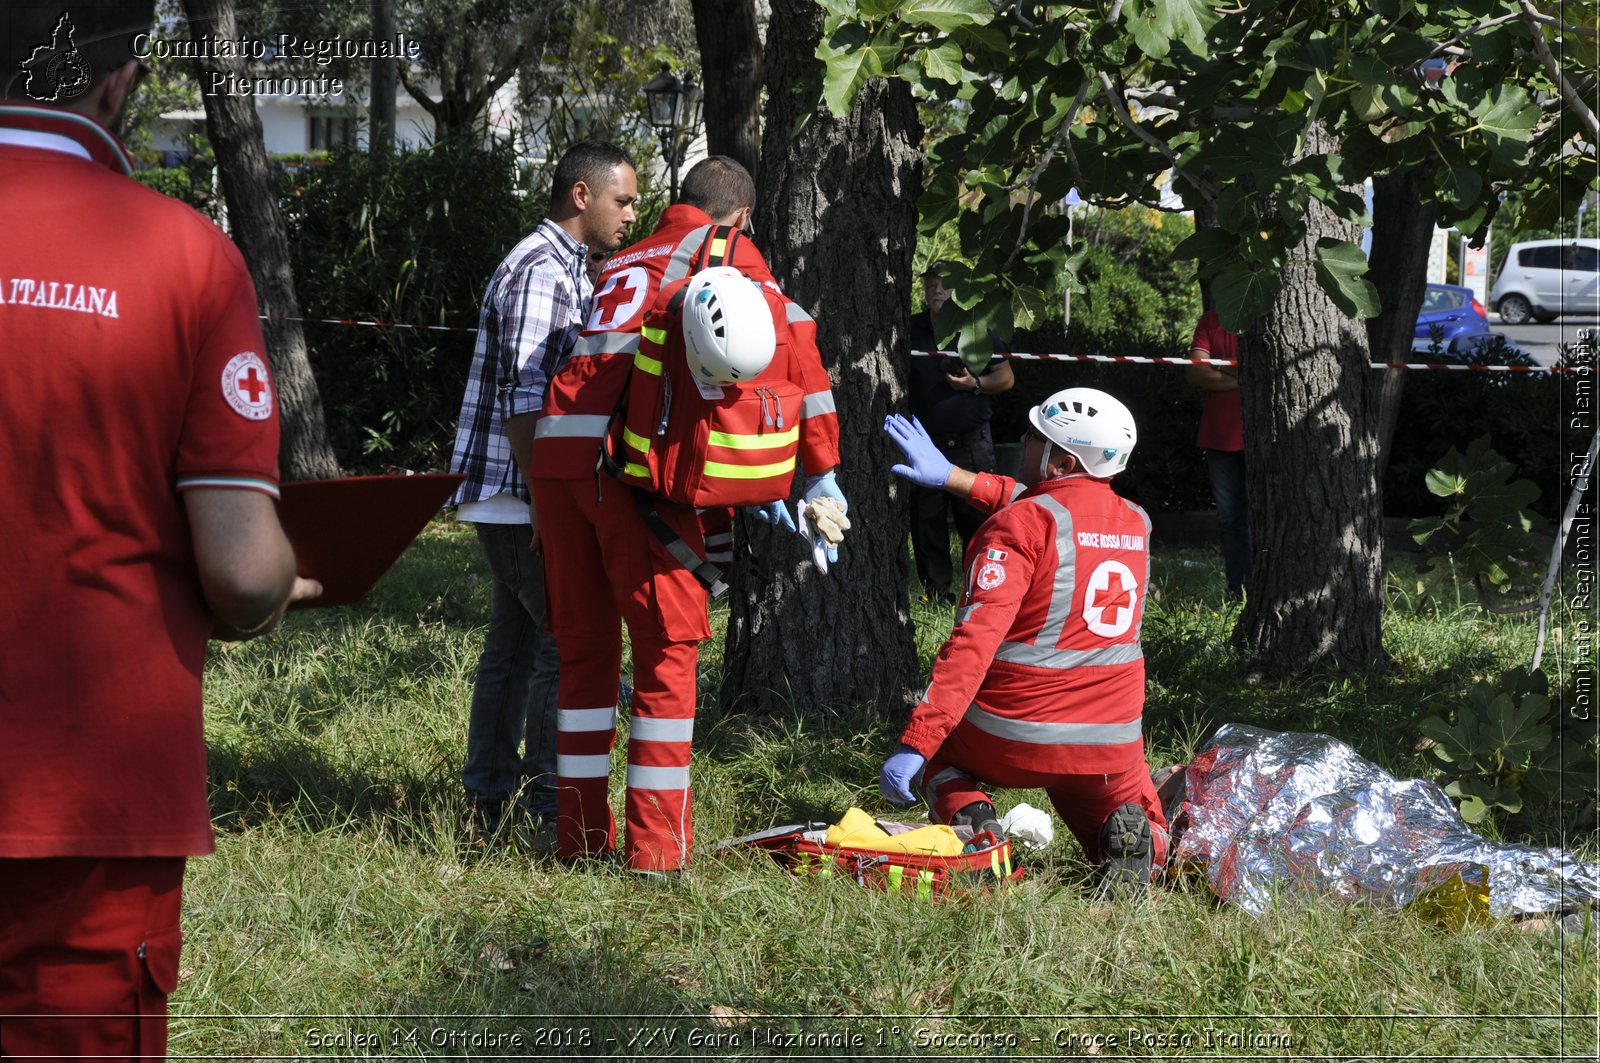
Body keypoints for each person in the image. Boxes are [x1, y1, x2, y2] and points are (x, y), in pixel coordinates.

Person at [0, 4, 318, 1055]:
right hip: (85, 793)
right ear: (119, 81)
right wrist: (279, 584)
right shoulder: (184, 255)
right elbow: (238, 569)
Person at [530, 156, 842, 876]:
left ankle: (578, 839)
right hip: (629, 473)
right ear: (741, 217)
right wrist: (821, 470)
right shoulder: (721, 250)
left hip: (559, 458)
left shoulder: (622, 255)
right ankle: (655, 855)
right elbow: (797, 352)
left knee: (583, 657)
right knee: (666, 662)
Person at [879, 389, 1167, 898]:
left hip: (1013, 734)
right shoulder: (1136, 523)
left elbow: (971, 646)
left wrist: (916, 744)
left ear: (1061, 459)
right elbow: (1052, 505)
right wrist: (953, 477)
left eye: (1034, 437)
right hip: (1108, 742)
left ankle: (977, 826)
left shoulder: (1018, 525)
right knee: (1123, 812)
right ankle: (1142, 850)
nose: (1022, 442)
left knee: (942, 757)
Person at [446, 142, 632, 840]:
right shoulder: (541, 270)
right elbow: (527, 400)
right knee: (565, 642)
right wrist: (544, 504)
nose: (630, 215)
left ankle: (487, 796)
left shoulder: (563, 268)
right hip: (519, 495)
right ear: (581, 195)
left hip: (516, 495)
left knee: (515, 645)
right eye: (624, 200)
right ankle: (545, 802)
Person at [907, 260, 1015, 604]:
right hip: (925, 445)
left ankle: (982, 593)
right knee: (927, 527)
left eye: (944, 283)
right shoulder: (910, 328)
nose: (936, 289)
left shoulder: (975, 326)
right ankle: (937, 597)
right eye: (931, 283)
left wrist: (975, 384)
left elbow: (1006, 377)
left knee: (980, 524)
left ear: (959, 288)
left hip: (971, 447)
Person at [1187, 303, 1249, 597]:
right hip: (1219, 438)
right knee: (1231, 519)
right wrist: (1243, 377)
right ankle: (1239, 591)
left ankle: (1262, 587)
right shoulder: (1213, 319)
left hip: (1265, 439)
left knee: (1267, 517)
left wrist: (1224, 368)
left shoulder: (1265, 314)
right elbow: (1197, 374)